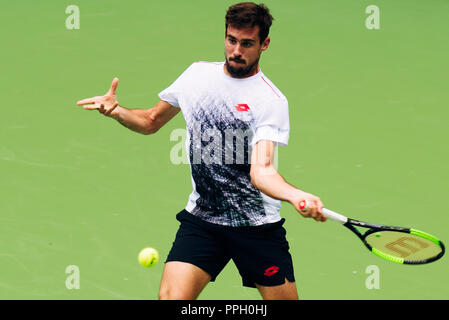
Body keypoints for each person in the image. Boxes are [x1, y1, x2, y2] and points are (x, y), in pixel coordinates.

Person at [77, 2, 326, 300]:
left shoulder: (270, 101)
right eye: (231, 40)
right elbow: (151, 121)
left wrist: (295, 195)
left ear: (265, 44)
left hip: (255, 226)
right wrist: (117, 112)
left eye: (247, 44)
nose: (236, 50)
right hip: (204, 219)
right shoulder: (196, 77)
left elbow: (261, 172)